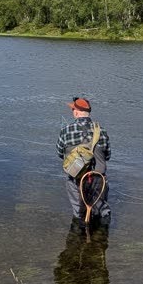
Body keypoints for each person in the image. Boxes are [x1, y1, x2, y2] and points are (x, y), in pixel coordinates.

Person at [56, 96, 112, 225]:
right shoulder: (101, 131)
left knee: (79, 214)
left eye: (72, 109)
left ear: (76, 112)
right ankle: (102, 236)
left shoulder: (65, 131)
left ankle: (80, 237)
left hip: (75, 178)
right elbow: (108, 155)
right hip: (98, 178)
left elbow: (60, 153)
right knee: (102, 211)